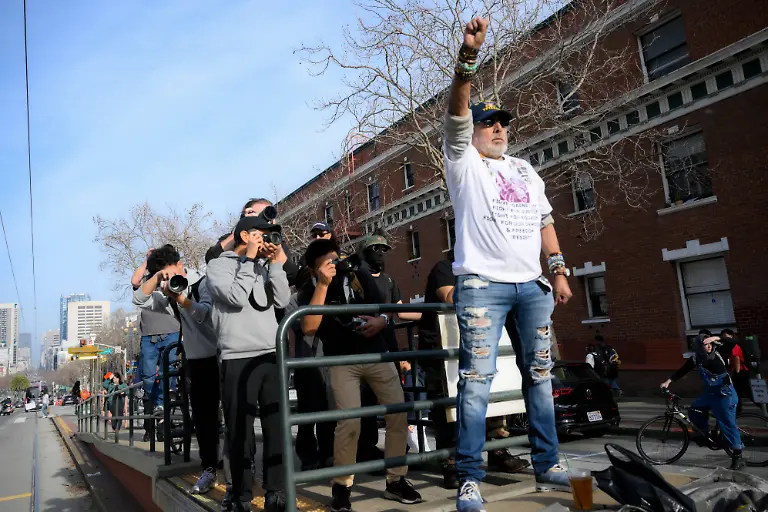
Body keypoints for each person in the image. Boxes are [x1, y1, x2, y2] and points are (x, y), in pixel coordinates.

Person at [443, 17, 575, 510]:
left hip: (533, 287)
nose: (498, 128)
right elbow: (457, 107)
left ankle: (549, 462)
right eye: (488, 122)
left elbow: (545, 221)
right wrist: (467, 58)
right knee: (476, 383)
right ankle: (470, 478)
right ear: (472, 132)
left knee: (540, 377)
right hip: (482, 286)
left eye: (504, 123)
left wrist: (557, 270)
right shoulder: (463, 163)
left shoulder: (526, 169)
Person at [299, 238, 422, 511]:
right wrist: (322, 284)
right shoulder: (310, 288)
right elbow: (309, 328)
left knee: (398, 411)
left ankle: (396, 480)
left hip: (376, 353)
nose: (336, 265)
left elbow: (385, 309)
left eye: (337, 258)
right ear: (313, 269)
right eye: (328, 263)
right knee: (349, 423)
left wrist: (381, 322)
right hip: (342, 361)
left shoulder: (357, 273)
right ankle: (342, 487)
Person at [417, 255, 530, 489]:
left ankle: (497, 452)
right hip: (442, 348)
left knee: (491, 397)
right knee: (449, 406)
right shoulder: (445, 266)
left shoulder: (485, 266)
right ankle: (451, 463)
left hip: (476, 341)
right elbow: (449, 297)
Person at [207, 215, 290, 512]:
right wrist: (250, 260)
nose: (266, 240)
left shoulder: (265, 266)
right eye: (261, 235)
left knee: (276, 426)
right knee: (240, 432)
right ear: (245, 236)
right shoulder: (218, 265)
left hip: (270, 353)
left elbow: (281, 301)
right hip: (236, 356)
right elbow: (236, 296)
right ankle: (242, 495)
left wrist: (277, 262)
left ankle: (276, 491)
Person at [132, 244, 221, 495]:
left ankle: (239, 468)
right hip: (196, 360)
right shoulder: (165, 293)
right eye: (165, 275)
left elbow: (208, 315)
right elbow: (138, 298)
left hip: (224, 354)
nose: (172, 279)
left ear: (181, 265)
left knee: (233, 414)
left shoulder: (203, 282)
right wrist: (158, 278)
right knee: (203, 419)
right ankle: (210, 468)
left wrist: (182, 299)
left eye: (172, 272)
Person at [661, 334, 744, 470]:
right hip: (710, 394)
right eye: (705, 344)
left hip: (725, 394)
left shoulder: (720, 352)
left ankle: (737, 456)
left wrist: (715, 338)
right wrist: (667, 382)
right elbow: (682, 371)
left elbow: (734, 341)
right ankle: (705, 434)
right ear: (699, 346)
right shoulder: (695, 358)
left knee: (727, 423)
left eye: (709, 343)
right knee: (694, 410)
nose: (709, 345)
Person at [131, 247, 181, 443]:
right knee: (149, 378)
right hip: (149, 337)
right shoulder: (147, 280)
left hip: (171, 332)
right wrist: (147, 260)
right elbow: (134, 282)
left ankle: (163, 414)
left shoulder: (171, 275)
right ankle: (154, 417)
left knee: (168, 374)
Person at [720, 329, 752, 414]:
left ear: (732, 336)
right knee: (738, 392)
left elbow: (736, 358)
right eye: (723, 337)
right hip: (739, 371)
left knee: (747, 391)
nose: (725, 339)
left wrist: (736, 372)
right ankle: (737, 410)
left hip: (741, 371)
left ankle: (764, 406)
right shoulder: (730, 346)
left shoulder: (734, 345)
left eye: (727, 337)